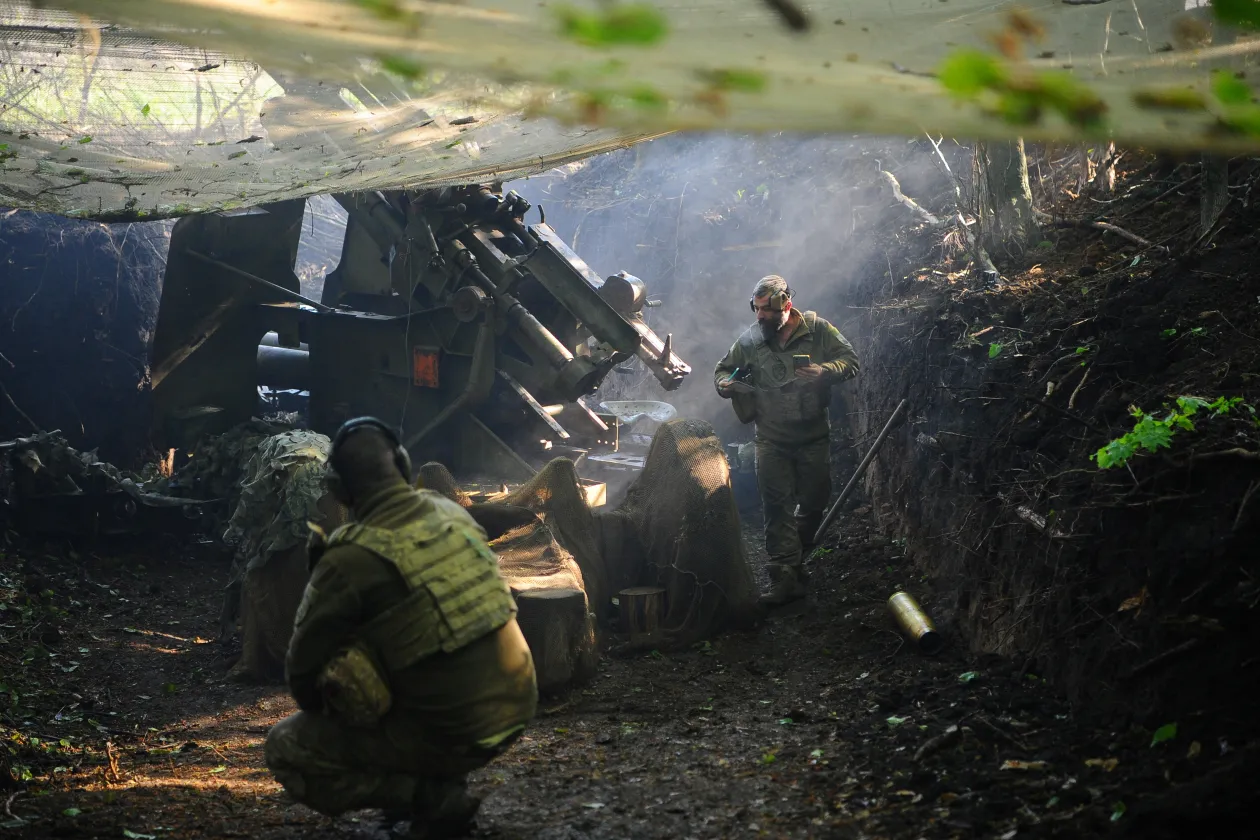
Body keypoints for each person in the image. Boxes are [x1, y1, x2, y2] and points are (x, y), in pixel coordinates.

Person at [264, 417, 538, 839]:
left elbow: (303, 681)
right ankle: (441, 778)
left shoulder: (348, 557)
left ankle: (425, 796)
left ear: (339, 491)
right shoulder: (450, 514)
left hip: (454, 726)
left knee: (286, 747)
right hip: (518, 704)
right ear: (405, 465)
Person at [714, 275, 860, 607]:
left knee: (813, 502)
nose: (760, 316)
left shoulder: (817, 329)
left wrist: (824, 370)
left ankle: (794, 559)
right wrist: (725, 384)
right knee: (777, 506)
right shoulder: (750, 340)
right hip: (771, 438)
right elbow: (722, 370)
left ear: (786, 305)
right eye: (757, 309)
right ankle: (783, 576)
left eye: (767, 309)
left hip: (812, 436)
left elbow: (851, 362)